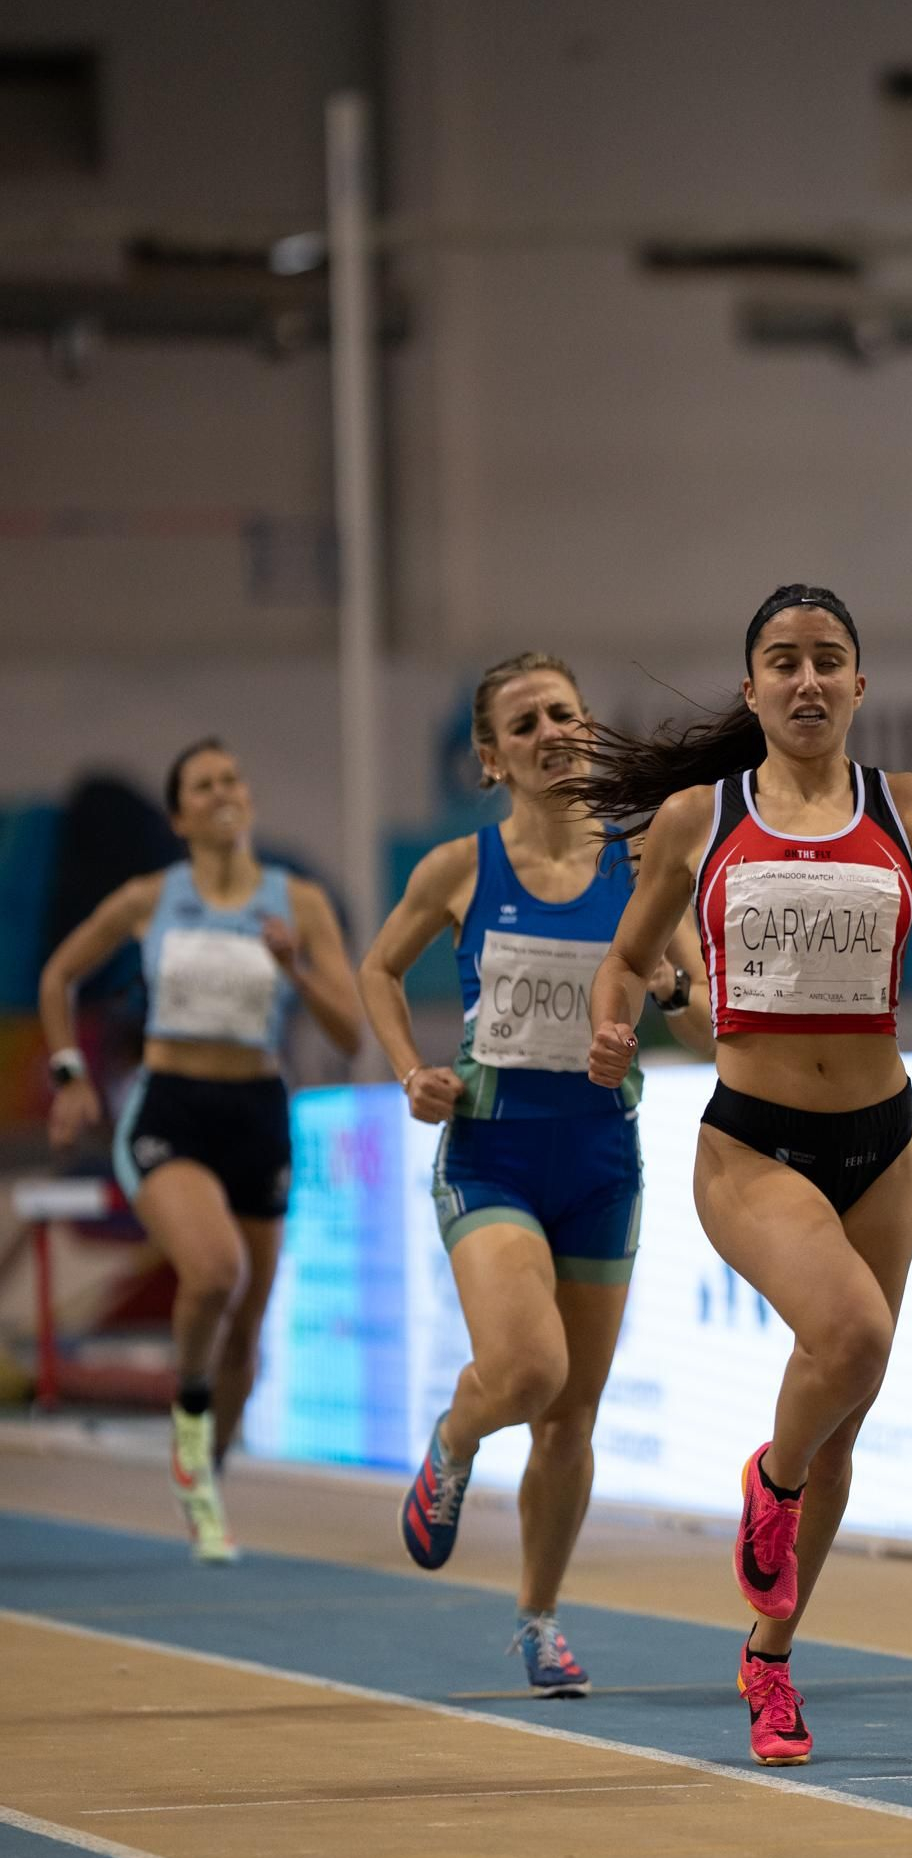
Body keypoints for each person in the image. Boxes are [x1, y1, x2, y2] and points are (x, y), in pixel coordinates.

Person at [583, 584, 912, 1765]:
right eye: (783, 660)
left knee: (848, 1422)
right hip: (752, 1141)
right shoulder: (695, 820)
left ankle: (770, 1661)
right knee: (853, 1337)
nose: (807, 679)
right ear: (753, 689)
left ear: (859, 686)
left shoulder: (909, 806)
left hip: (884, 1140)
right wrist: (613, 1028)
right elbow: (623, 965)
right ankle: (770, 1479)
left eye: (828, 660)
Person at [358, 650, 712, 1694]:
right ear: (490, 758)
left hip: (601, 1156)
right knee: (526, 1374)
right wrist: (410, 1072)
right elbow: (379, 969)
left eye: (564, 711)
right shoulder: (458, 868)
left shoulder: (643, 862)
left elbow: (698, 1013)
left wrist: (662, 987)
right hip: (492, 1150)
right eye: (525, 723)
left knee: (570, 1419)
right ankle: (455, 1438)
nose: (552, 731)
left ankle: (538, 1618)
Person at [38, 738, 362, 1561]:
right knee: (217, 1269)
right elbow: (59, 977)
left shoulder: (301, 905)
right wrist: (71, 1075)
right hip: (169, 1108)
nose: (222, 793)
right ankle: (187, 1415)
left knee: (248, 1325)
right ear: (181, 815)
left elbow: (350, 1032)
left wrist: (296, 968)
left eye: (232, 780)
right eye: (202, 786)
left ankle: (205, 1475)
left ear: (246, 800)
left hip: (256, 1110)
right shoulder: (150, 898)